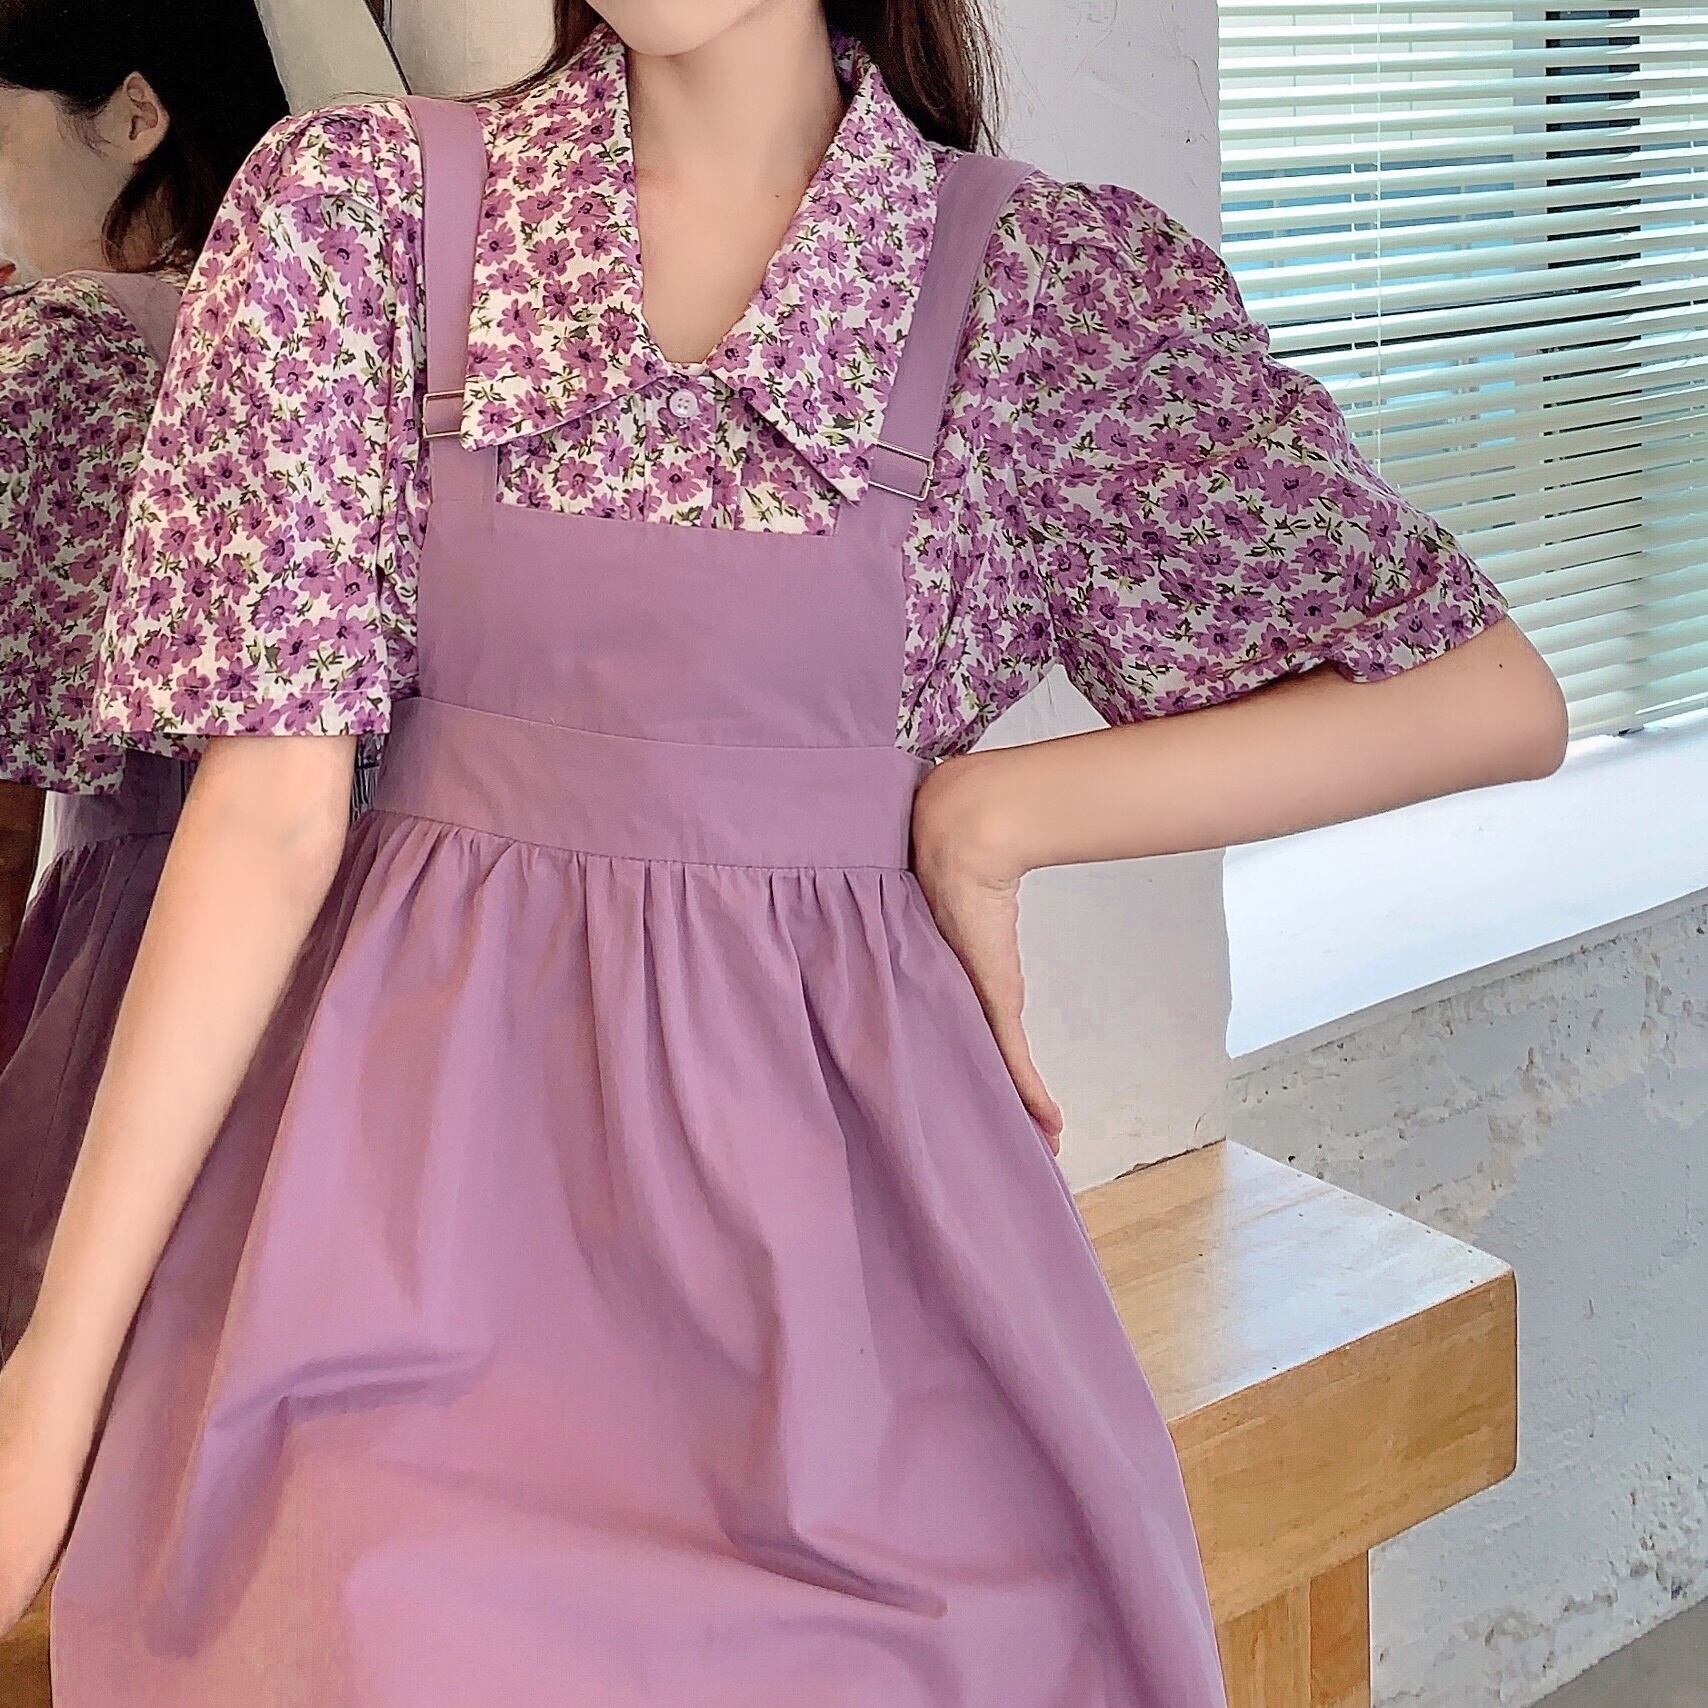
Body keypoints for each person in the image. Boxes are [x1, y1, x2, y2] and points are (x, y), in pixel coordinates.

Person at [0, 2, 1568, 1702]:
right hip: (403, 1242)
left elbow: (1483, 693)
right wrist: (51, 1386)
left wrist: (994, 815)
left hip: (857, 1296)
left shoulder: (1039, 293)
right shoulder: (359, 214)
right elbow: (265, 816)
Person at [0, 0, 289, 1355]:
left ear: (133, 117)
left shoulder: (63, 339)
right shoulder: (291, 335)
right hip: (302, 910)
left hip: (127, 914)